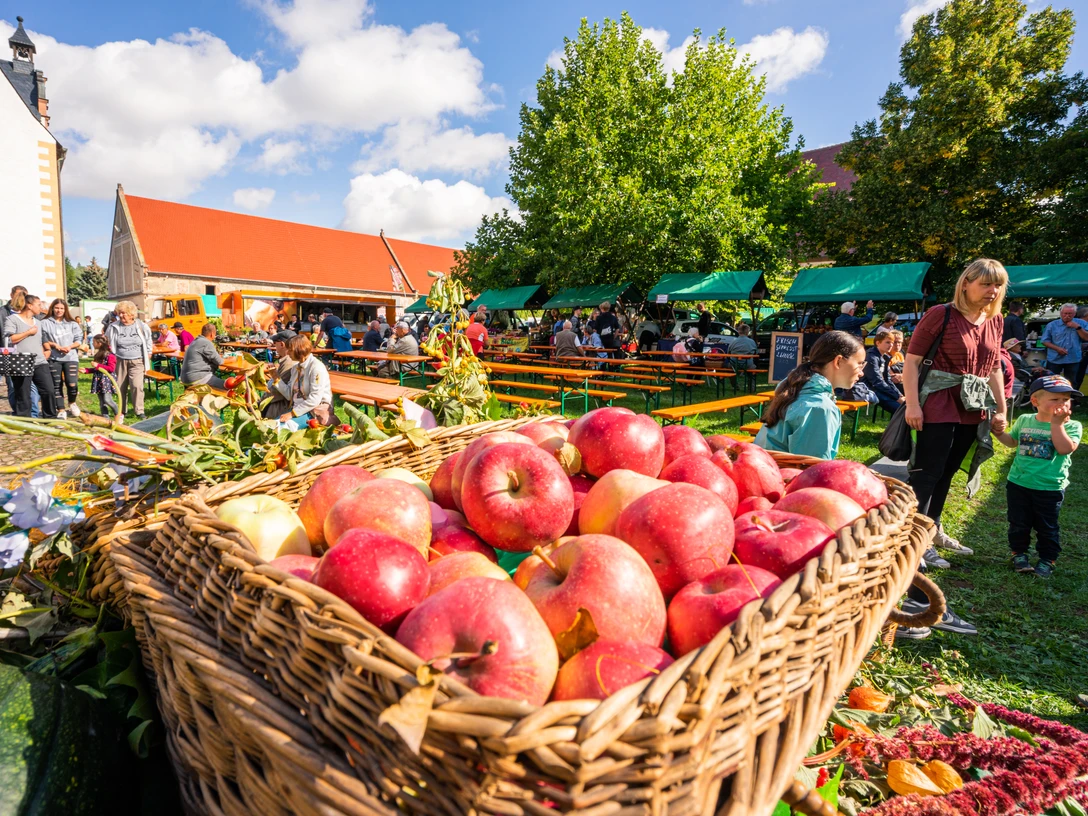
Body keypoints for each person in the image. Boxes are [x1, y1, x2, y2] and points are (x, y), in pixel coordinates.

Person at [899, 259, 1009, 638]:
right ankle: (906, 548)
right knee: (925, 478)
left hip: (972, 407)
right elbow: (911, 363)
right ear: (966, 284)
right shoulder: (940, 314)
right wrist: (913, 404)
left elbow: (994, 367)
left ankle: (925, 540)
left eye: (997, 286)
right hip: (938, 403)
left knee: (945, 476)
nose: (991, 292)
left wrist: (1001, 408)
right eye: (984, 284)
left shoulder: (995, 320)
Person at [993, 375, 1081, 579]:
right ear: (1035, 401)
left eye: (1066, 399)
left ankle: (1047, 560)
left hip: (1049, 487)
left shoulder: (1071, 426)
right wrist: (998, 433)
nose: (1062, 403)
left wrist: (1057, 424)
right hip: (1018, 483)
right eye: (1055, 399)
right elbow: (1012, 442)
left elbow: (1065, 448)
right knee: (1018, 522)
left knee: (1047, 526)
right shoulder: (1025, 420)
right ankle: (1018, 554)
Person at [755, 331, 865, 460]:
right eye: (860, 364)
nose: (861, 373)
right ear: (838, 361)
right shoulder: (820, 408)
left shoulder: (796, 386)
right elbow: (812, 472)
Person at [3, 293, 58, 418]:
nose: (41, 307)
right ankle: (24, 419)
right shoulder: (12, 319)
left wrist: (46, 349)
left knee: (48, 390)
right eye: (38, 305)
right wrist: (28, 332)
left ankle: (50, 418)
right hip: (20, 360)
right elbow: (10, 339)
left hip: (39, 361)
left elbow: (41, 340)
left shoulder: (38, 322)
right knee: (23, 393)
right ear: (29, 305)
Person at [103, 301, 153, 420]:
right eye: (119, 313)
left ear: (131, 314)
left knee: (137, 386)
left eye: (123, 313)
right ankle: (121, 411)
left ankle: (139, 411)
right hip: (119, 360)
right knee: (120, 386)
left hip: (137, 360)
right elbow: (106, 341)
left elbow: (148, 340)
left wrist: (149, 353)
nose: (120, 316)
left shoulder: (141, 326)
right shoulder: (113, 327)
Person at [273, 334, 334, 429]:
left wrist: (292, 414)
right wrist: (276, 377)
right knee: (272, 425)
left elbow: (315, 399)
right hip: (297, 410)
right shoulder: (295, 368)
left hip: (313, 412)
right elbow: (289, 395)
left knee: (280, 428)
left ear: (299, 350)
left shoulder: (316, 367)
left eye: (290, 350)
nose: (287, 353)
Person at [40, 298, 84, 419]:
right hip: (54, 358)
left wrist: (70, 346)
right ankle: (61, 409)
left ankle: (72, 402)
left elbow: (79, 340)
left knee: (72, 383)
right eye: (56, 308)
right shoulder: (44, 323)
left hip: (71, 357)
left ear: (65, 310)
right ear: (52, 308)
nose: (59, 310)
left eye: (62, 308)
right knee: (56, 384)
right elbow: (42, 339)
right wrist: (55, 345)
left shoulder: (72, 323)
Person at [1039, 303, 1088, 382]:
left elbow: (1086, 338)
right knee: (1052, 382)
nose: (1067, 316)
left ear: (1074, 314)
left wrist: (1078, 327)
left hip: (1073, 358)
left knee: (1071, 382)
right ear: (1061, 313)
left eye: (1070, 314)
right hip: (1055, 359)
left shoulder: (1082, 323)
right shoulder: (1052, 325)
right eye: (1065, 313)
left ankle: (1070, 394)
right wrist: (1057, 348)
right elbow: (1044, 341)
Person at [863, 330, 906, 415]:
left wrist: (899, 395)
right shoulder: (871, 357)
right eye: (887, 342)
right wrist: (897, 397)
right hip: (868, 389)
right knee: (901, 410)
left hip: (879, 388)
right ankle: (896, 428)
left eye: (892, 342)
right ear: (878, 343)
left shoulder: (885, 357)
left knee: (904, 406)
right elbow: (877, 382)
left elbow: (888, 379)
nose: (891, 345)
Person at [262, 329, 298, 419]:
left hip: (280, 408)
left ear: (282, 344)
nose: (274, 345)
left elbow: (277, 393)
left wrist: (259, 402)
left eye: (275, 342)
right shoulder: (286, 360)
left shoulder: (289, 362)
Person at [180, 323, 225, 390]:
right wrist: (232, 359)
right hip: (197, 378)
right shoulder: (206, 342)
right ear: (212, 334)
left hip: (185, 377)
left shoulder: (196, 341)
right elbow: (220, 362)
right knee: (227, 386)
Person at [85, 334, 118, 418]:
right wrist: (87, 370)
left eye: (93, 342)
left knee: (107, 400)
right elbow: (97, 369)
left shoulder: (110, 355)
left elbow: (111, 368)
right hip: (99, 380)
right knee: (102, 401)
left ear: (99, 343)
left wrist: (97, 365)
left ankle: (118, 413)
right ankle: (106, 418)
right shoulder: (98, 354)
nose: (92, 344)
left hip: (107, 381)